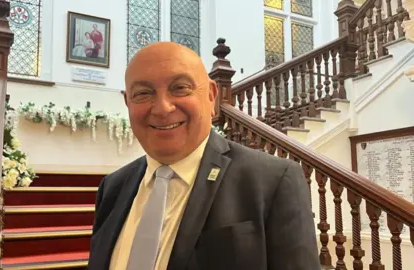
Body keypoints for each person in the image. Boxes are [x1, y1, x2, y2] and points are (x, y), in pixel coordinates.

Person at [87, 42, 320, 270]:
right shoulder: (113, 187)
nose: (162, 108)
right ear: (127, 102)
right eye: (143, 93)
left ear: (211, 96)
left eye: (179, 88)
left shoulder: (273, 181)